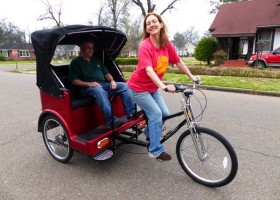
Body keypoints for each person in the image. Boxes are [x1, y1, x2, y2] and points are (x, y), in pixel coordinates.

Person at [127, 13, 200, 161]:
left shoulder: (167, 45)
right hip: (138, 88)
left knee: (164, 114)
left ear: (161, 24)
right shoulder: (145, 46)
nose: (152, 24)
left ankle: (149, 133)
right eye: (148, 24)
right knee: (155, 114)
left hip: (152, 88)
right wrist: (163, 86)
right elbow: (148, 69)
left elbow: (178, 61)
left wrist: (192, 77)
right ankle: (155, 150)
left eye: (155, 21)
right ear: (147, 29)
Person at [68, 40, 135, 128]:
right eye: (88, 48)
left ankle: (131, 114)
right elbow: (74, 80)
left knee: (124, 86)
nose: (91, 50)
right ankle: (112, 121)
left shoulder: (96, 60)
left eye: (92, 48)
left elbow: (107, 74)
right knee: (98, 90)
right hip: (86, 88)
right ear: (82, 49)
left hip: (103, 85)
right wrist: (89, 84)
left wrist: (112, 81)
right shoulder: (75, 62)